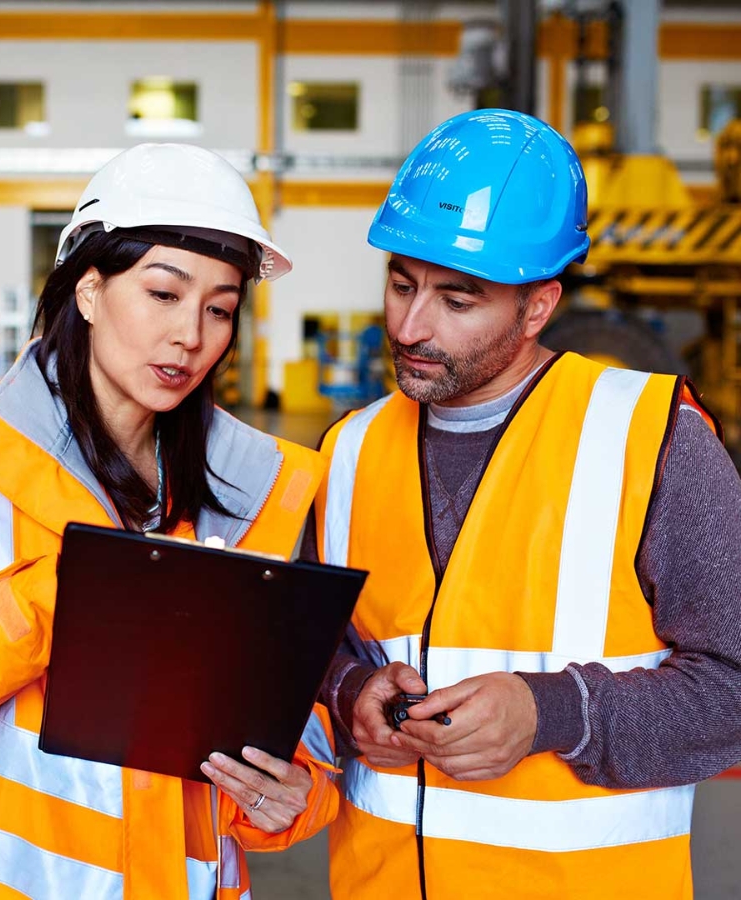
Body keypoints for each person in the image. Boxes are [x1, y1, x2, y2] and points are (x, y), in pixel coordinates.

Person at [0, 143, 339, 900]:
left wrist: (290, 793)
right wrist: (65, 593)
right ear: (89, 289)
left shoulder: (259, 491)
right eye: (163, 294)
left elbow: (286, 710)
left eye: (220, 309)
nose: (191, 336)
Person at [312, 108, 741, 900]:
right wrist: (347, 692)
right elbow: (307, 644)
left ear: (538, 307)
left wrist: (551, 714)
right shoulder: (347, 450)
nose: (411, 325)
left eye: (458, 299)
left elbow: (733, 690)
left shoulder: (654, 440)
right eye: (401, 284)